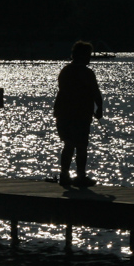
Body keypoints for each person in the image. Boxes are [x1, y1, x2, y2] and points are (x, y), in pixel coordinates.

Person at [54, 40, 104, 187]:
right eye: (88, 55)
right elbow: (95, 91)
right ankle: (80, 176)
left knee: (68, 143)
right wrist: (99, 107)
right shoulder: (87, 72)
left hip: (63, 113)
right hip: (80, 114)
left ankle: (64, 174)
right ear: (81, 55)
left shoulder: (65, 71)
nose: (90, 58)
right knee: (81, 146)